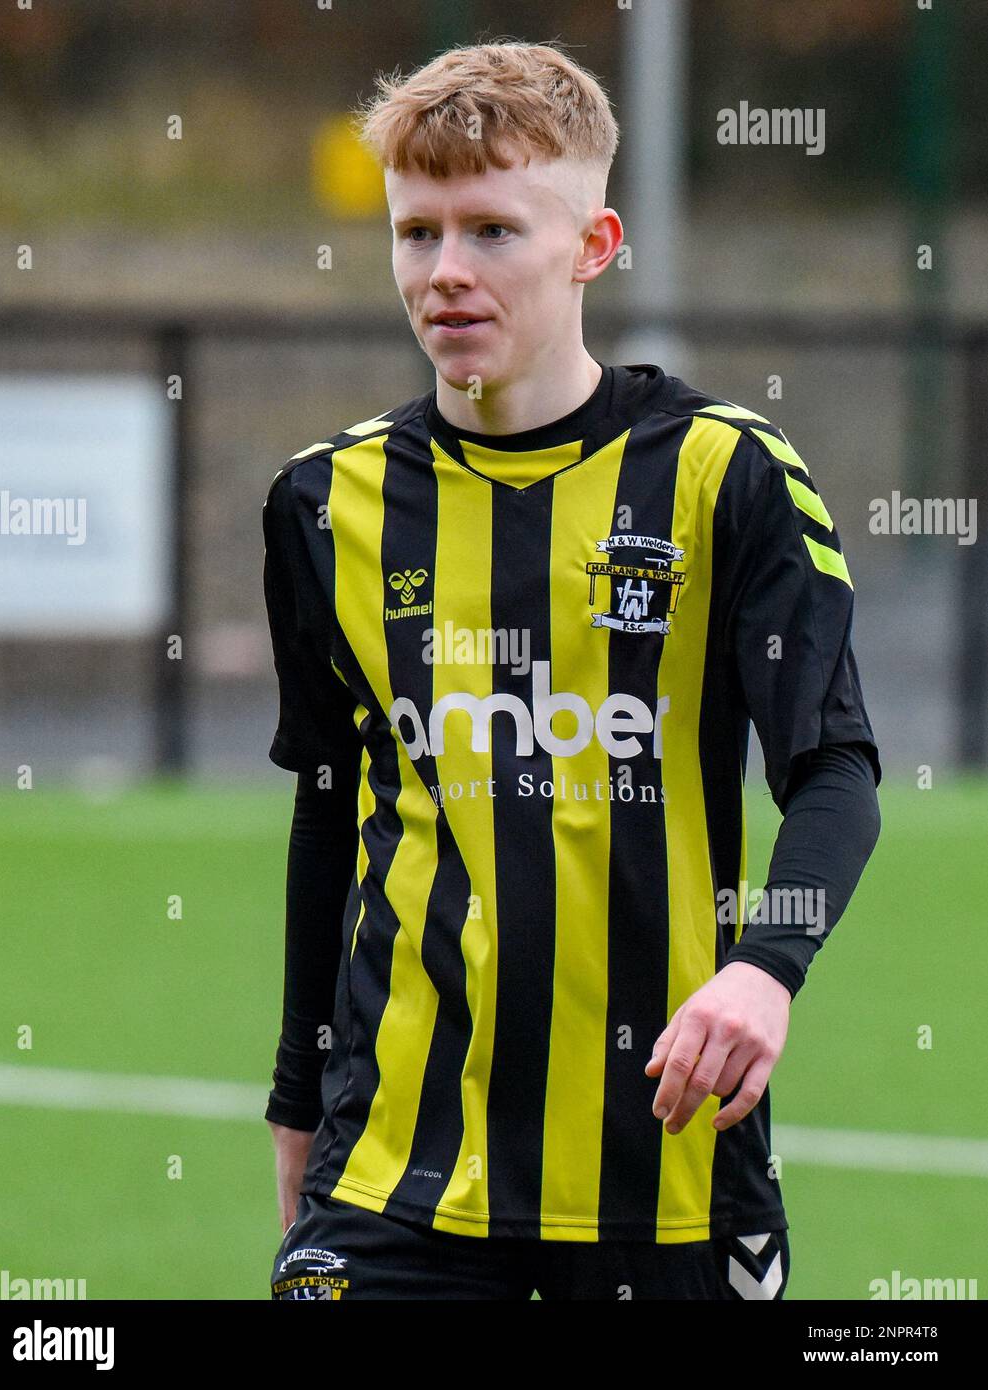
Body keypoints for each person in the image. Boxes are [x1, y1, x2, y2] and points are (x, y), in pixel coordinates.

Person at [261, 40, 881, 1301]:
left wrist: (766, 968)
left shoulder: (727, 473)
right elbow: (332, 809)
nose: (443, 273)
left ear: (593, 244)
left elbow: (833, 771)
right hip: (389, 1174)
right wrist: (294, 1106)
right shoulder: (325, 502)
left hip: (668, 1172)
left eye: (491, 230)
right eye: (414, 232)